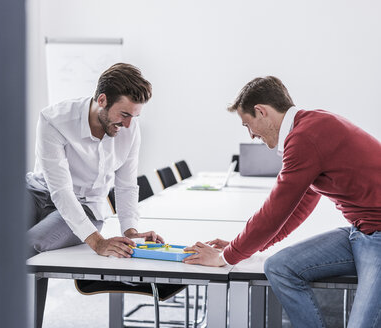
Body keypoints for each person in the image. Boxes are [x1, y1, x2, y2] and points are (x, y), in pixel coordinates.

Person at [183, 76, 381, 327]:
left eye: (247, 124)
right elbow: (298, 208)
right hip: (362, 230)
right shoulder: (309, 125)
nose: (252, 135)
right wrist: (244, 248)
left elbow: (275, 211)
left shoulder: (305, 137)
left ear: (261, 111)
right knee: (279, 267)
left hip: (378, 234)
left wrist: (227, 256)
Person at [26, 63, 164, 259]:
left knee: (29, 244)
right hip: (38, 191)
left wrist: (131, 232)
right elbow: (61, 190)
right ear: (102, 100)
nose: (128, 124)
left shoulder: (130, 129)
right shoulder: (54, 120)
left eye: (134, 116)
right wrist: (98, 243)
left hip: (86, 205)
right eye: (124, 114)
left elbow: (126, 186)